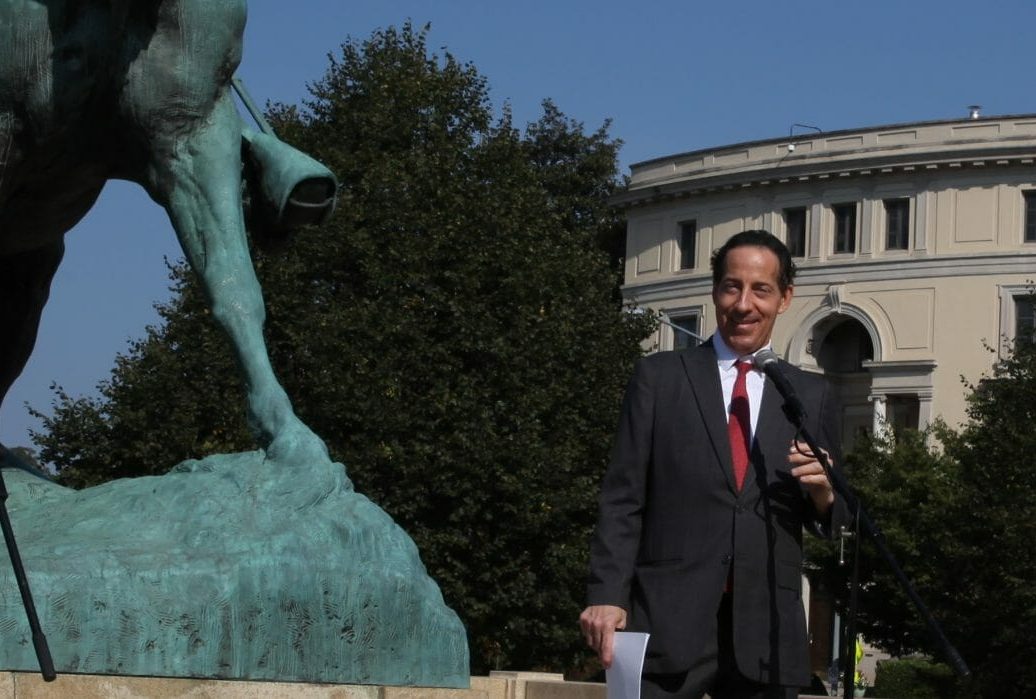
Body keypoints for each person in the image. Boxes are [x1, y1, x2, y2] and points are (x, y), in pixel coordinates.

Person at [580, 230, 851, 698]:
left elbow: (838, 519)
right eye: (732, 286)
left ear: (785, 298)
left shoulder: (809, 395)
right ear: (715, 291)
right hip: (666, 621)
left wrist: (825, 493)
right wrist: (606, 594)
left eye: (761, 289)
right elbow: (623, 497)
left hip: (766, 630)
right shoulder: (659, 378)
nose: (744, 304)